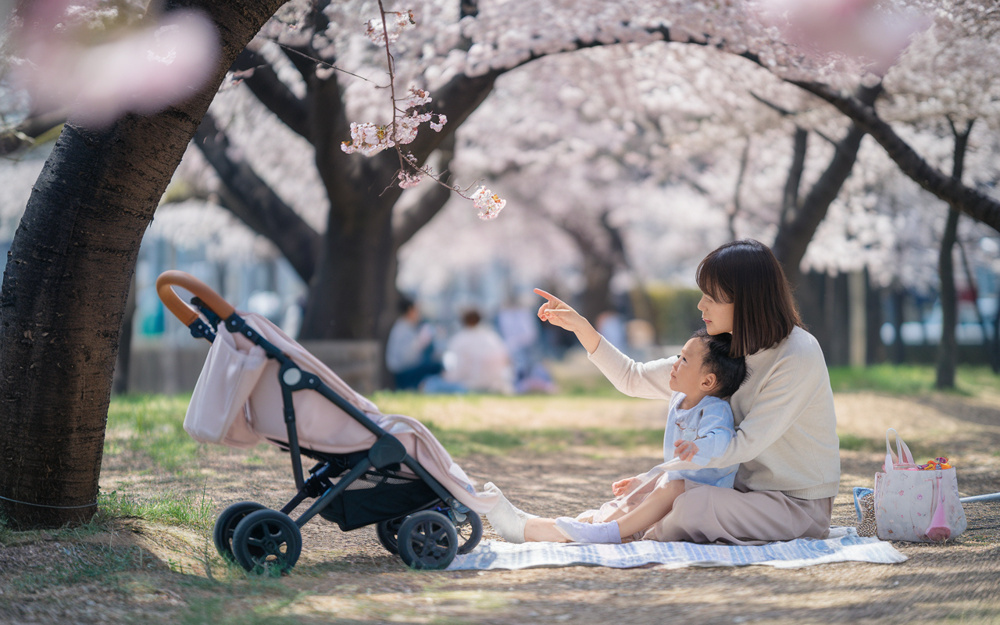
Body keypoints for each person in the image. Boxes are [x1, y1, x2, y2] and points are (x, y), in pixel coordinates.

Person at [485, 239, 840, 545]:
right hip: (738, 491)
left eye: (712, 298)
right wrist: (583, 328)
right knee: (666, 490)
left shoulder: (797, 354)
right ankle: (539, 528)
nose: (701, 306)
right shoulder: (725, 349)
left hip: (794, 505)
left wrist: (661, 473)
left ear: (747, 302)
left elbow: (744, 444)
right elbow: (633, 377)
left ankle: (612, 533)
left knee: (688, 502)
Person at [551, 328, 747, 544]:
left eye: (684, 360)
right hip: (682, 480)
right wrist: (645, 480)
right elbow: (674, 469)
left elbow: (722, 438)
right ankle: (600, 525)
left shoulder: (714, 409)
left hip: (709, 490)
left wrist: (699, 446)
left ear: (707, 382)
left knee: (670, 486)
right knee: (644, 491)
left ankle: (612, 531)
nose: (675, 364)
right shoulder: (679, 397)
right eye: (679, 356)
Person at [423, 309, 515, 394]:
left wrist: (446, 377)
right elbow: (507, 361)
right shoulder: (493, 337)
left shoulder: (459, 339)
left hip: (470, 387)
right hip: (497, 384)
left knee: (430, 384)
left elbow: (455, 371)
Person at [385, 296, 442, 390]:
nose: (419, 314)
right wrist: (421, 342)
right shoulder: (402, 328)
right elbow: (406, 358)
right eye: (417, 310)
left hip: (407, 370)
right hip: (403, 373)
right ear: (410, 310)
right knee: (436, 367)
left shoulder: (409, 327)